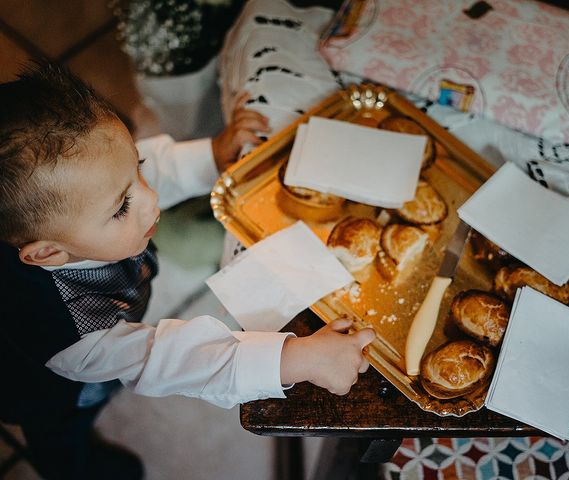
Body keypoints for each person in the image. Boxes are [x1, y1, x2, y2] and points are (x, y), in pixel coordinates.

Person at [0, 63, 376, 480]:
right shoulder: (71, 336)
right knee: (63, 427)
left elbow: (153, 166)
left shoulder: (82, 204)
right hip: (40, 383)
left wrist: (209, 155)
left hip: (107, 305)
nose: (151, 200)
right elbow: (173, 358)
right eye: (122, 207)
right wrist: (293, 358)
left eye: (137, 168)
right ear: (48, 254)